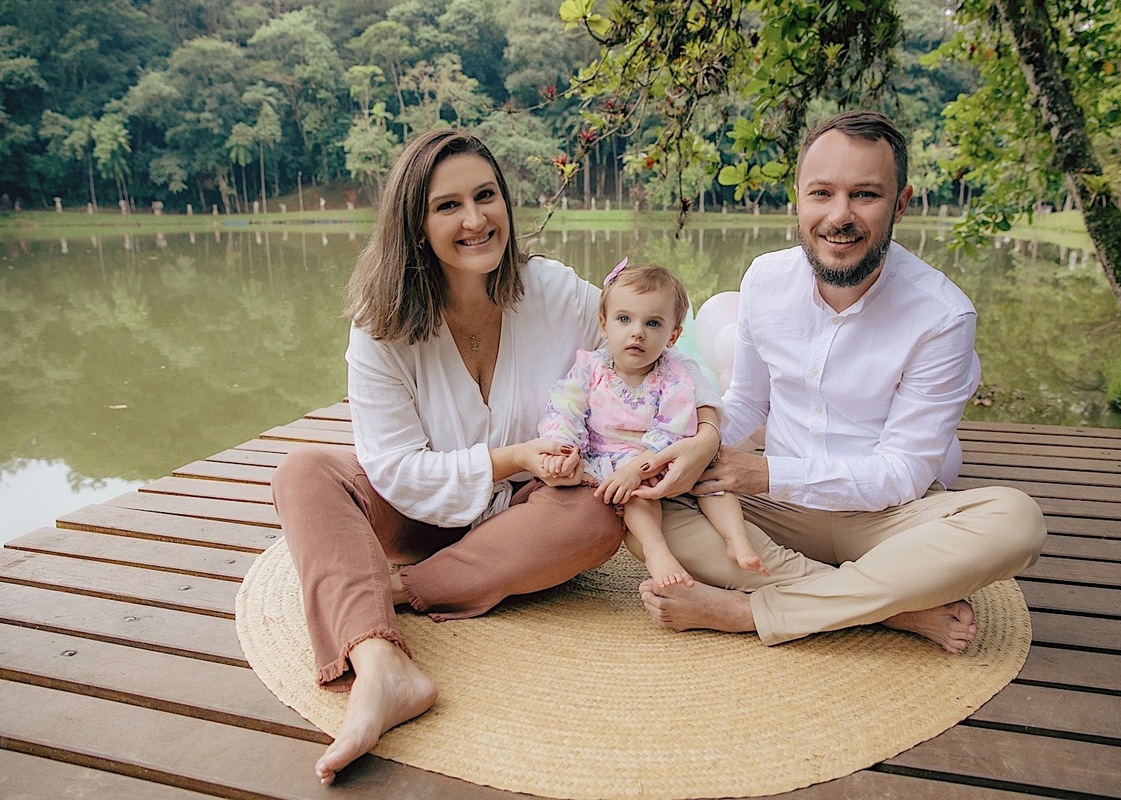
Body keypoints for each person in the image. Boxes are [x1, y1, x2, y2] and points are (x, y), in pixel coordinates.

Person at [269, 129, 721, 785]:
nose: (476, 219)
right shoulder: (380, 325)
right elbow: (394, 471)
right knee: (303, 472)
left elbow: (661, 343)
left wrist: (704, 432)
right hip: (417, 513)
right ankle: (380, 664)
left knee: (600, 513)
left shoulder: (553, 290)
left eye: (486, 196)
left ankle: (390, 591)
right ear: (415, 223)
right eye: (447, 205)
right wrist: (513, 456)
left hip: (531, 515)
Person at [632, 110, 1047, 655]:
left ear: (901, 203)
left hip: (884, 519)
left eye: (865, 195)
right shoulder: (765, 280)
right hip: (776, 515)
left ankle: (750, 611)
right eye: (822, 193)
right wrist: (692, 443)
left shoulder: (942, 316)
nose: (839, 216)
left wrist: (766, 474)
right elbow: (747, 402)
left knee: (1016, 522)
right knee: (640, 501)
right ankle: (891, 608)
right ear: (798, 199)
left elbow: (900, 473)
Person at [538, 261, 770, 589]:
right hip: (613, 460)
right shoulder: (590, 369)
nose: (637, 332)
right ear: (604, 324)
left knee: (714, 480)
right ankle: (657, 550)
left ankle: (736, 538)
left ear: (673, 335)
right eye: (624, 319)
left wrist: (644, 463)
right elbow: (564, 408)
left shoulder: (673, 376)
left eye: (653, 323)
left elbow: (675, 425)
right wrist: (562, 447)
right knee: (636, 497)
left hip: (663, 453)